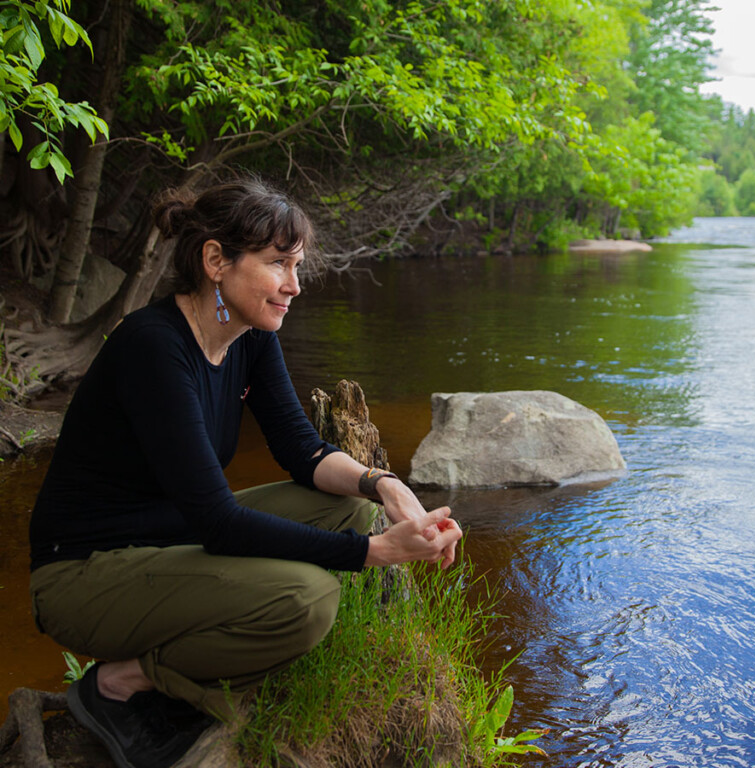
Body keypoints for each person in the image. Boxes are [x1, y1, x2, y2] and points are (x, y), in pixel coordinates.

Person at [28, 178, 462, 768]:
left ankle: (199, 663)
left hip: (167, 539)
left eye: (298, 265)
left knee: (350, 508)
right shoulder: (153, 348)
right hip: (85, 574)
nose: (295, 286)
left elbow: (302, 451)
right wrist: (374, 552)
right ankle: (121, 684)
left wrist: (383, 485)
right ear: (215, 261)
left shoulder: (249, 336)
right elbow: (219, 523)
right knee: (306, 602)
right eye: (278, 264)